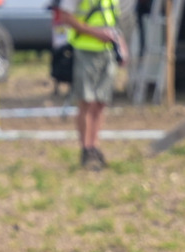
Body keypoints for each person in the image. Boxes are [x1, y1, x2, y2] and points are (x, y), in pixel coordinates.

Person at [58, 0, 127, 170]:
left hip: (108, 51)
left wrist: (122, 46)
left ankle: (95, 146)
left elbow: (113, 21)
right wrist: (94, 33)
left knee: (101, 102)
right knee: (86, 102)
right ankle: (86, 148)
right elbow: (65, 16)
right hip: (84, 51)